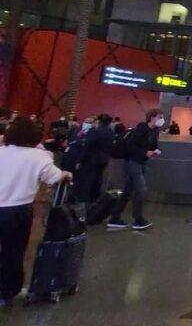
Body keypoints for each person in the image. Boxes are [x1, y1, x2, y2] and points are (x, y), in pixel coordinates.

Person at [0, 117, 73, 308]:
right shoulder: (40, 157)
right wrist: (66, 174)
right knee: (13, 252)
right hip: (17, 210)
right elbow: (54, 177)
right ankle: (6, 292)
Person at [107, 109, 162, 231]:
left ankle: (114, 217)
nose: (161, 119)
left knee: (127, 191)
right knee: (141, 190)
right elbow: (131, 146)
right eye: (160, 117)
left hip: (142, 162)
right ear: (152, 117)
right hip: (133, 162)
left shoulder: (154, 131)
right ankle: (138, 219)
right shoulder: (140, 130)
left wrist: (152, 152)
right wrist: (145, 152)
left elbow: (152, 146)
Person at [76, 113, 115, 204]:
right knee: (98, 180)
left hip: (91, 159)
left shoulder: (95, 131)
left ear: (99, 121)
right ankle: (94, 199)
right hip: (104, 159)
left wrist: (80, 160)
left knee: (88, 180)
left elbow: (87, 146)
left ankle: (84, 199)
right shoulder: (110, 132)